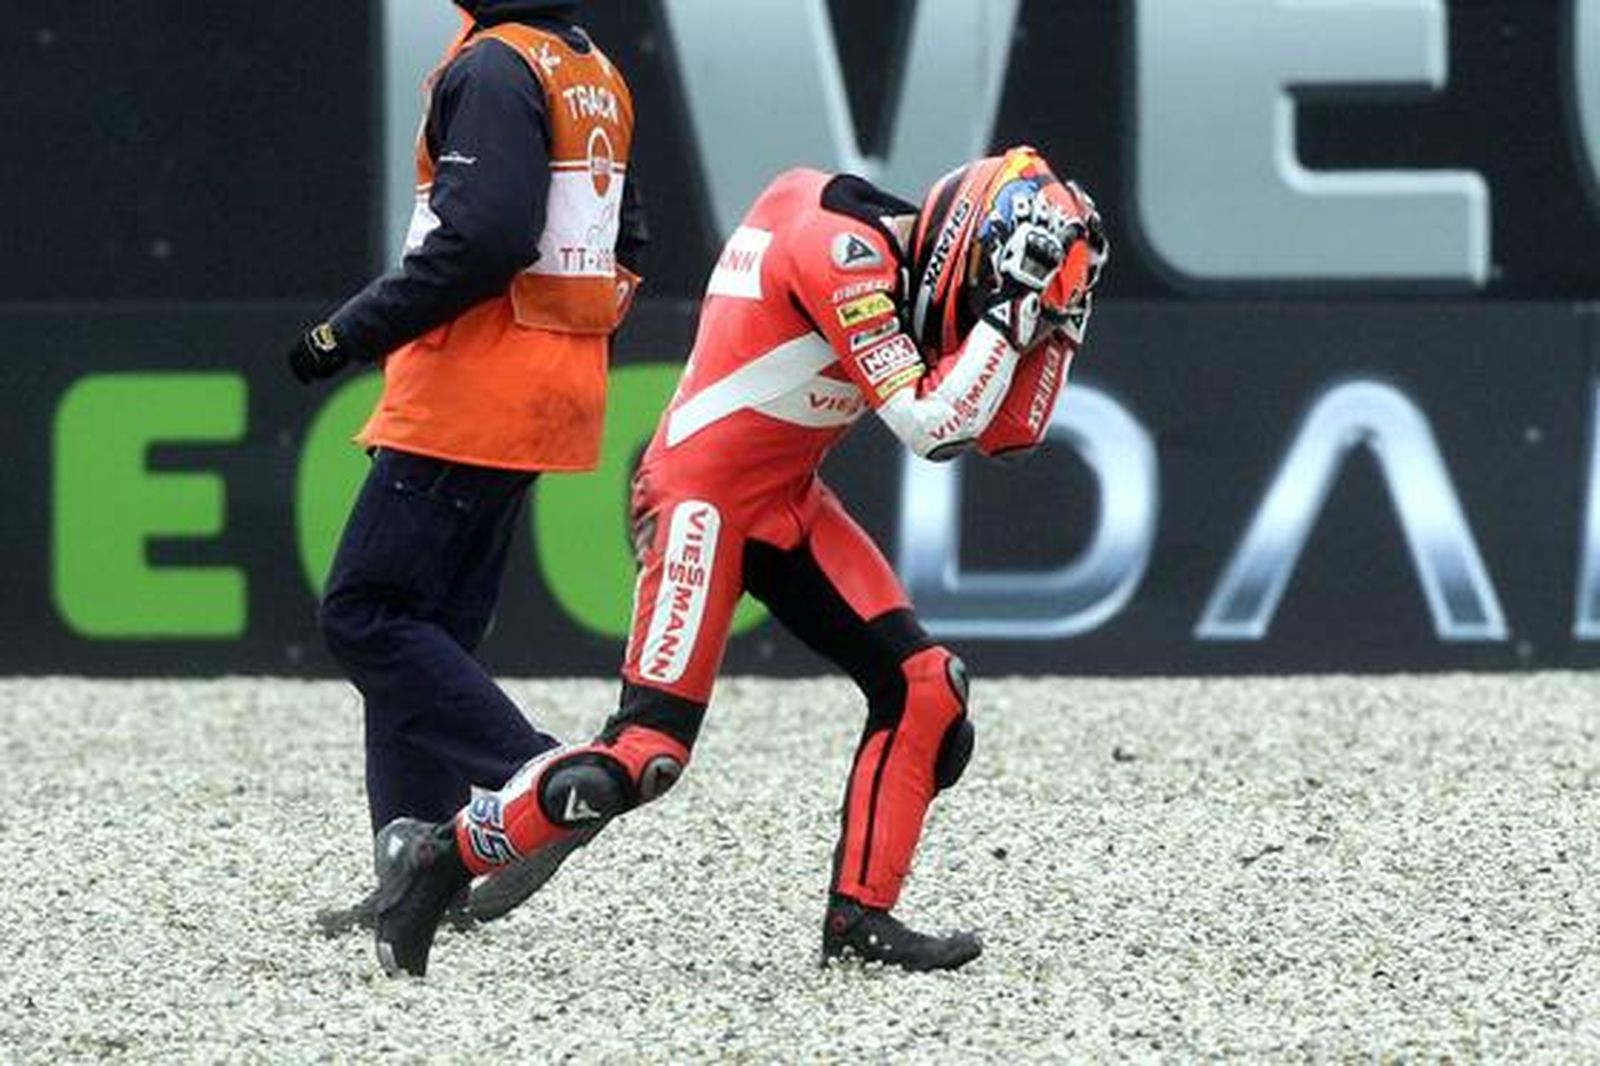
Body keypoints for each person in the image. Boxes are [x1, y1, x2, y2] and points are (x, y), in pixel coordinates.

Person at [366, 146, 1107, 977]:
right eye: (983, 292)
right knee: (646, 756)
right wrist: (1011, 320)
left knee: (927, 692)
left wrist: (1056, 319)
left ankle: (861, 923)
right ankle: (439, 857)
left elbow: (1007, 432)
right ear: (962, 245)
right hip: (699, 501)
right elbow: (934, 426)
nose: (980, 313)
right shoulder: (838, 247)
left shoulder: (889, 260)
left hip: (782, 497)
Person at [286, 0, 646, 909]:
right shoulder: (591, 69)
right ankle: (421, 870)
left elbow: (483, 237)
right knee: (425, 631)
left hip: (469, 388)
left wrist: (348, 333)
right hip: (548, 388)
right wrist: (562, 347)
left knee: (364, 615)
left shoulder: (492, 65)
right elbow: (627, 242)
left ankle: (546, 782)